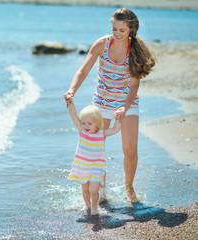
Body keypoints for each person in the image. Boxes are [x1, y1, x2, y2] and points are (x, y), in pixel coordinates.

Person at [64, 8, 156, 202]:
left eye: (122, 30)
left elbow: (134, 85)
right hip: (101, 102)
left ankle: (129, 188)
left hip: (126, 104)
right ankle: (102, 190)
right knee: (96, 148)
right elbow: (83, 71)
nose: (117, 33)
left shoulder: (135, 51)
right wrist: (72, 90)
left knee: (130, 150)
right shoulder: (102, 44)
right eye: (114, 28)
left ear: (131, 29)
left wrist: (124, 106)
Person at [67, 101, 121, 216]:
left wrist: (117, 119)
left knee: (93, 189)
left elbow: (115, 129)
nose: (86, 126)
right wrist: (71, 104)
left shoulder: (102, 133)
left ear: (97, 123)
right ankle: (87, 204)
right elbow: (73, 115)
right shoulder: (81, 131)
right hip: (83, 165)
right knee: (85, 189)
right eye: (84, 123)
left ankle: (94, 206)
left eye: (89, 123)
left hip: (96, 166)